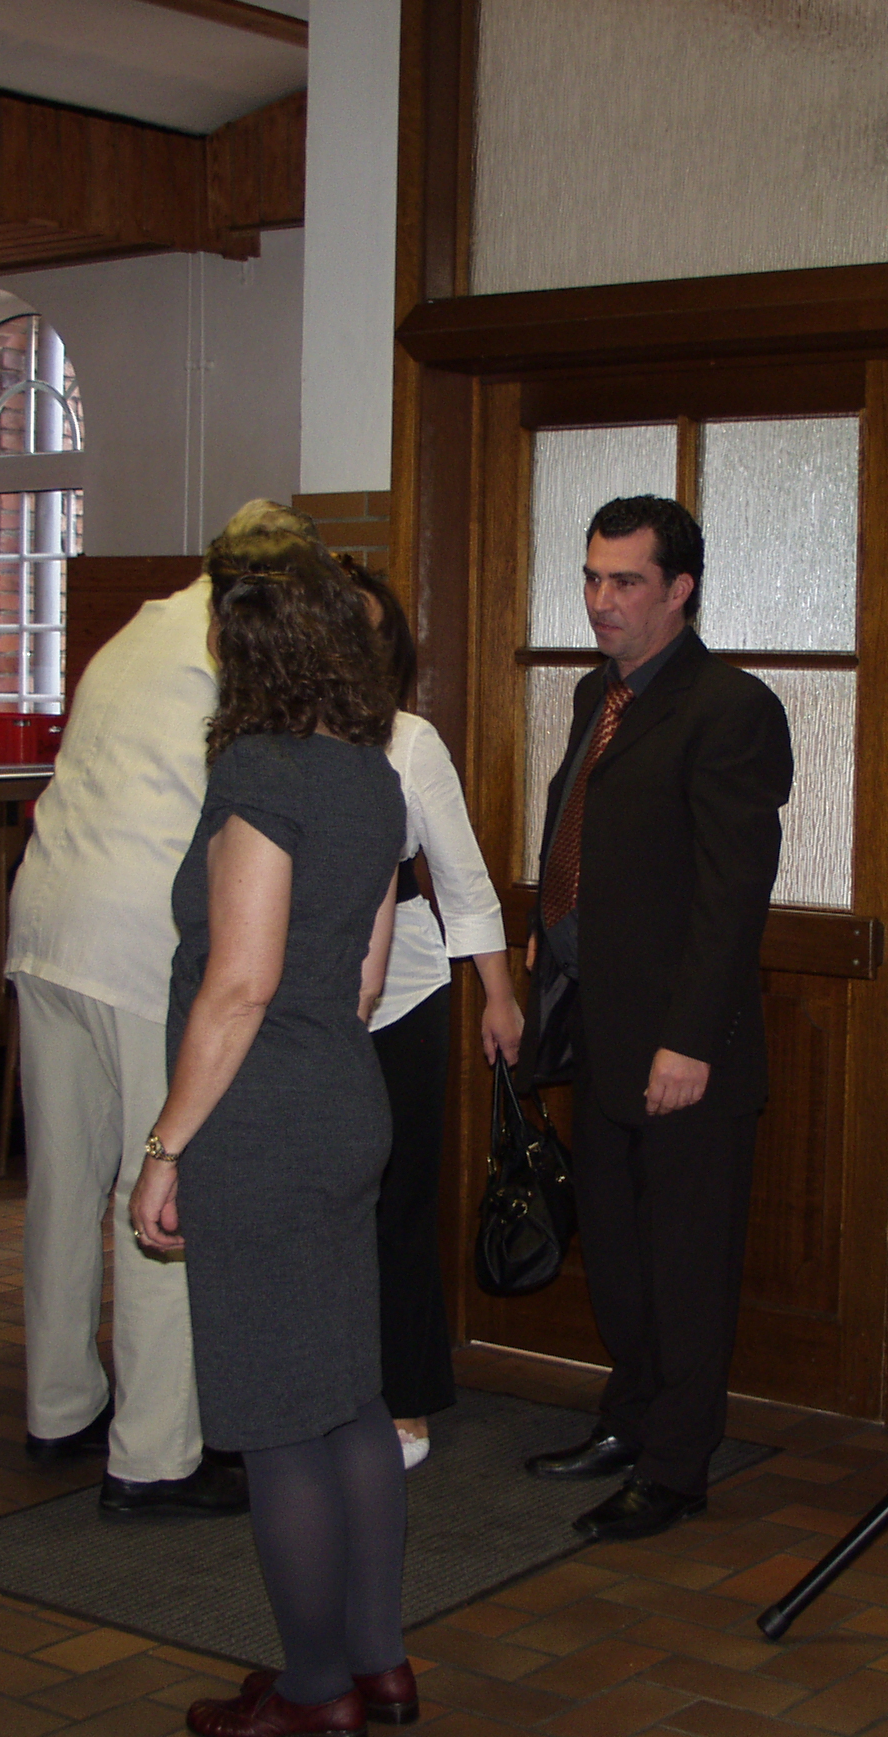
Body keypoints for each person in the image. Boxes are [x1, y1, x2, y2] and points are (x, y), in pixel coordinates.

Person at [129, 533, 409, 1737]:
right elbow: (364, 976)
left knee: (281, 1418)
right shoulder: (372, 776)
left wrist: (166, 1147)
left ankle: (313, 1685)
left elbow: (237, 986)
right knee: (349, 1400)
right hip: (344, 1098)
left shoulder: (259, 772)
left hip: (263, 1120)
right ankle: (378, 1661)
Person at [4, 499, 318, 1514]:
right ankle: (155, 1456)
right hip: (141, 941)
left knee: (65, 1184)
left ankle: (59, 1406)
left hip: (46, 923)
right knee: (165, 1188)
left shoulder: (138, 629)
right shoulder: (239, 647)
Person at [520, 495, 793, 1543]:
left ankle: (675, 1467)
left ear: (680, 589)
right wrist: (544, 941)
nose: (601, 599)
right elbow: (583, 837)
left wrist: (689, 1040)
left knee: (684, 1267)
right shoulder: (599, 692)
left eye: (625, 581)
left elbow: (731, 896)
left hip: (684, 1046)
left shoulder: (730, 709)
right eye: (592, 577)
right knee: (620, 1255)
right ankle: (628, 1421)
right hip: (597, 1026)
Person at [340, 558, 523, 1470]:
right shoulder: (269, 736)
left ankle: (406, 1400)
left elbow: (463, 879)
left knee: (399, 1200)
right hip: (297, 994)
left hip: (405, 990)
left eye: (370, 635)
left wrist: (499, 993)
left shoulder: (410, 741)